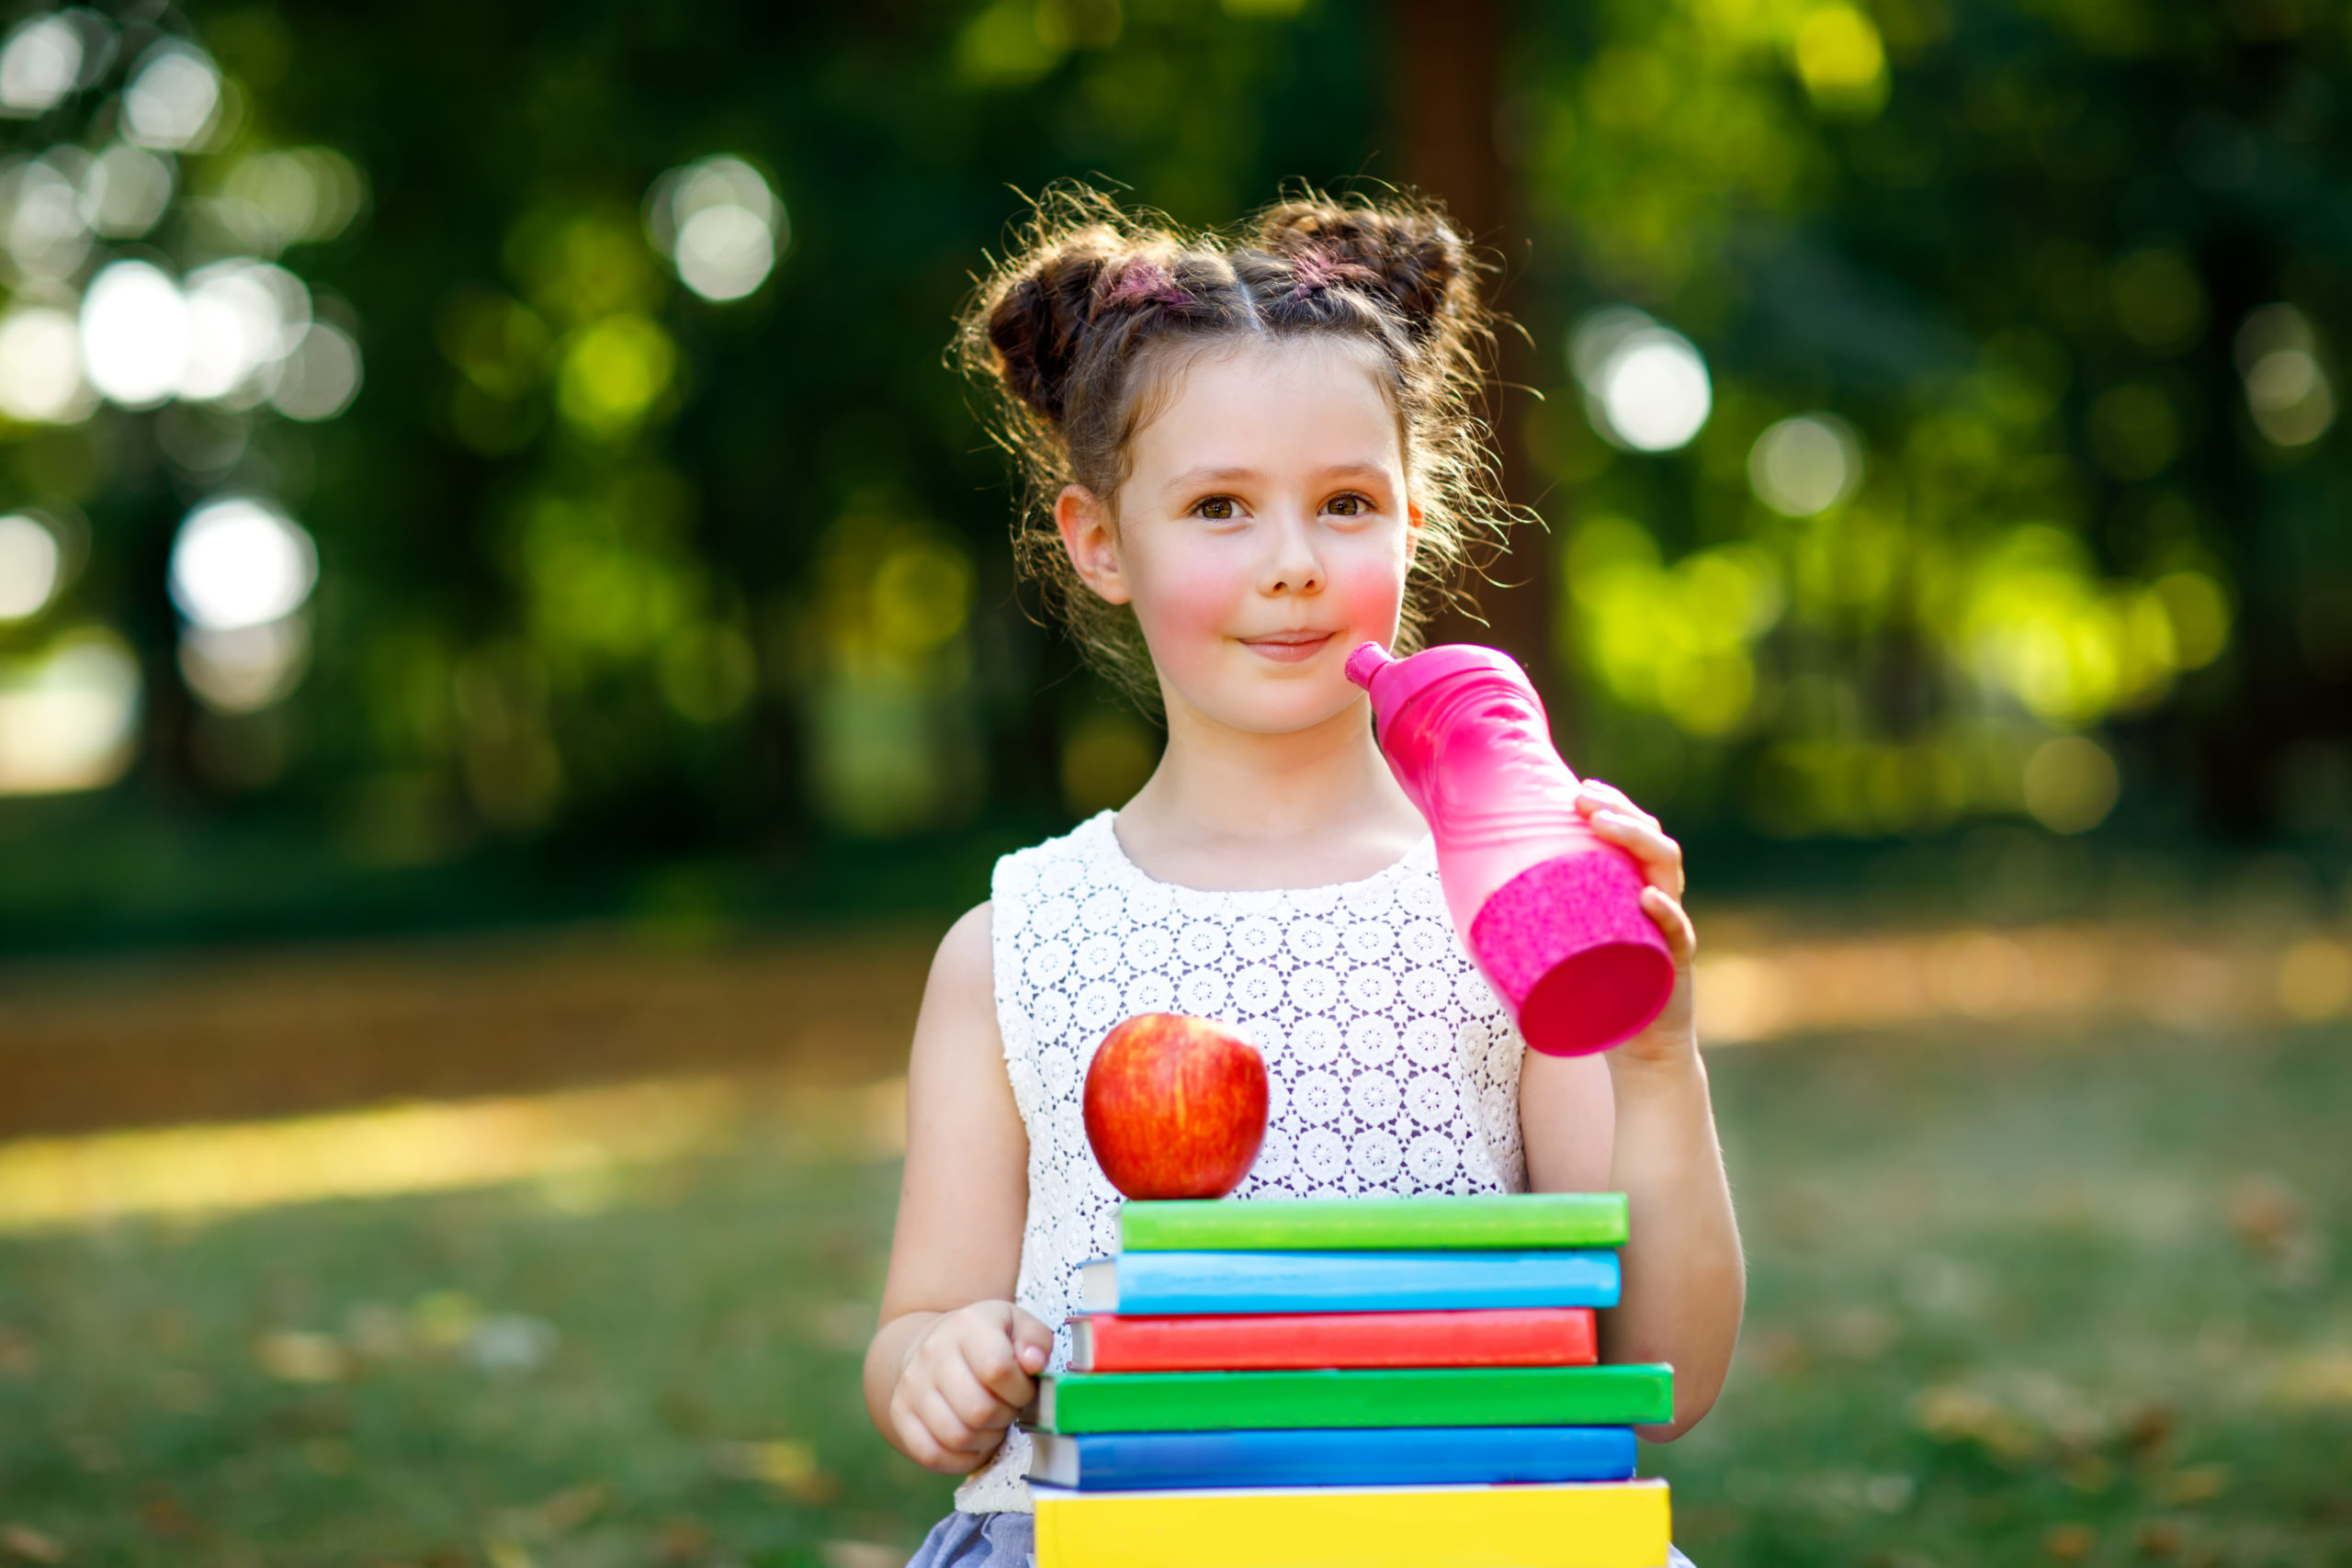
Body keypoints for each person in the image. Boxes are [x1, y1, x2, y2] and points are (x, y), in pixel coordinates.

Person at [863, 186, 1744, 1568]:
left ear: (1412, 520)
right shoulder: (1014, 943)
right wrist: (942, 1358)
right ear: (1101, 541)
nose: (1291, 565)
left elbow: (1666, 1375)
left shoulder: (1508, 916)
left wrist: (1653, 1055)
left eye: (1345, 505)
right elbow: (919, 1320)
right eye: (1219, 507)